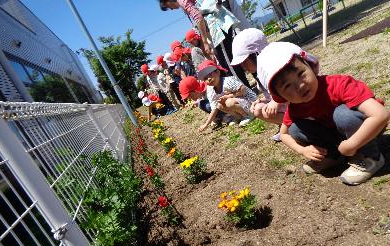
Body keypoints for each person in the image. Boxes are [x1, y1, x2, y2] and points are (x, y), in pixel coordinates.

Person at [257, 42, 389, 185]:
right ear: (281, 96)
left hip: (368, 126)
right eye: (287, 85)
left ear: (312, 67)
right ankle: (333, 156)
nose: (300, 85)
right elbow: (284, 134)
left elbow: (380, 115)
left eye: (301, 74)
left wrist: (352, 144)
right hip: (340, 135)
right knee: (295, 128)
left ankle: (370, 157)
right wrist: (303, 150)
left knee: (342, 115)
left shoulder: (338, 84)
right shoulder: (295, 107)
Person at [159, 0, 252, 88]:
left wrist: (205, 42)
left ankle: (245, 92)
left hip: (217, 26)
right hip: (218, 23)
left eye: (167, 6)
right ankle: (245, 91)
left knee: (229, 64)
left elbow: (198, 17)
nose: (171, 9)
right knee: (228, 61)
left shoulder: (181, 1)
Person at [197, 60, 256, 132]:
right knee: (219, 105)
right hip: (238, 101)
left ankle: (250, 114)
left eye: (210, 74)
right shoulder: (210, 90)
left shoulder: (227, 81)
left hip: (251, 101)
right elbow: (214, 108)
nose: (209, 79)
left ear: (218, 72)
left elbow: (243, 89)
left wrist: (229, 96)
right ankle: (239, 117)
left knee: (229, 102)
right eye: (205, 78)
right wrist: (206, 124)